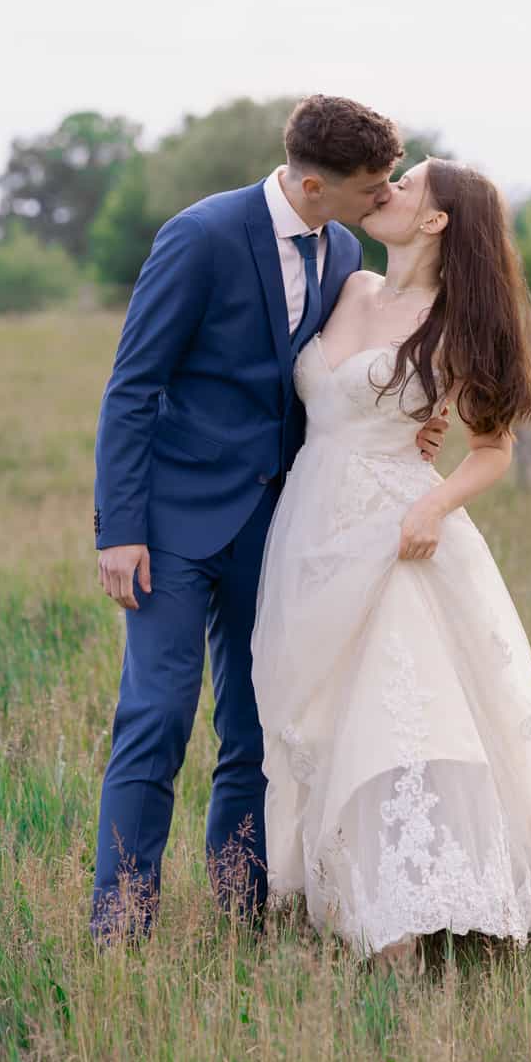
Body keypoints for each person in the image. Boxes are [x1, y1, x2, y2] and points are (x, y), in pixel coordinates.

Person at [251, 157, 531, 972]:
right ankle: (344, 883)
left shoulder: (456, 320)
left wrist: (429, 505)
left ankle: (403, 914)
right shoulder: (350, 286)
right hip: (311, 527)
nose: (385, 189)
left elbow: (492, 449)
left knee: (398, 715)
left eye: (407, 184)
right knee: (317, 711)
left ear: (435, 222)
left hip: (401, 535)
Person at [90, 96, 447, 940]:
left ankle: (241, 906)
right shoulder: (201, 236)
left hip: (279, 524)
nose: (383, 196)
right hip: (171, 525)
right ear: (315, 183)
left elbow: (335, 372)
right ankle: (121, 921)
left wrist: (411, 415)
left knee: (257, 720)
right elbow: (134, 385)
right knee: (158, 716)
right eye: (372, 186)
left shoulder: (347, 247)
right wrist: (119, 527)